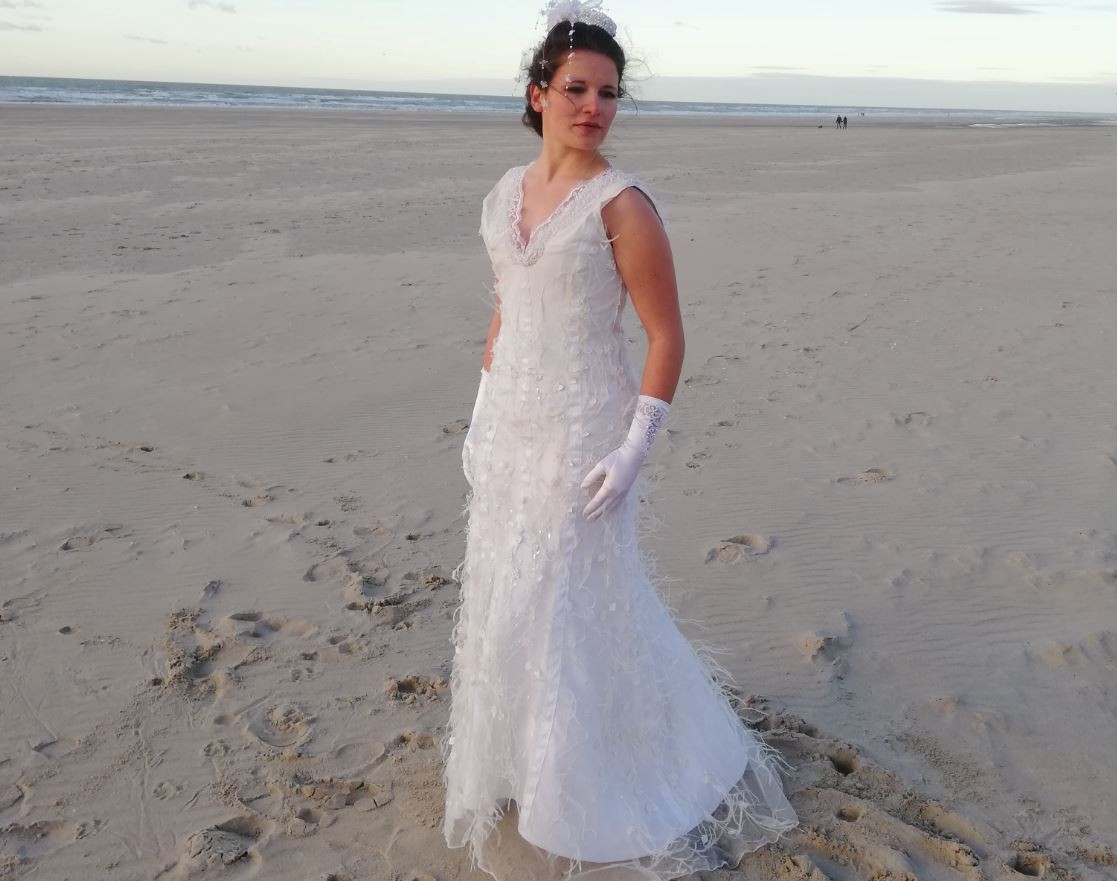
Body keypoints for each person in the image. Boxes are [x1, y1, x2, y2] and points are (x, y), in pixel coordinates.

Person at [441, 3, 799, 879]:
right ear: (538, 93)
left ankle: (595, 778)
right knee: (509, 590)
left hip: (583, 438)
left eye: (608, 93)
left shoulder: (623, 205)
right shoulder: (503, 194)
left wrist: (634, 445)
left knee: (569, 598)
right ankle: (522, 762)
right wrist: (481, 414)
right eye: (576, 89)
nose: (593, 107)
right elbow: (505, 313)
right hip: (512, 428)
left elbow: (665, 335)